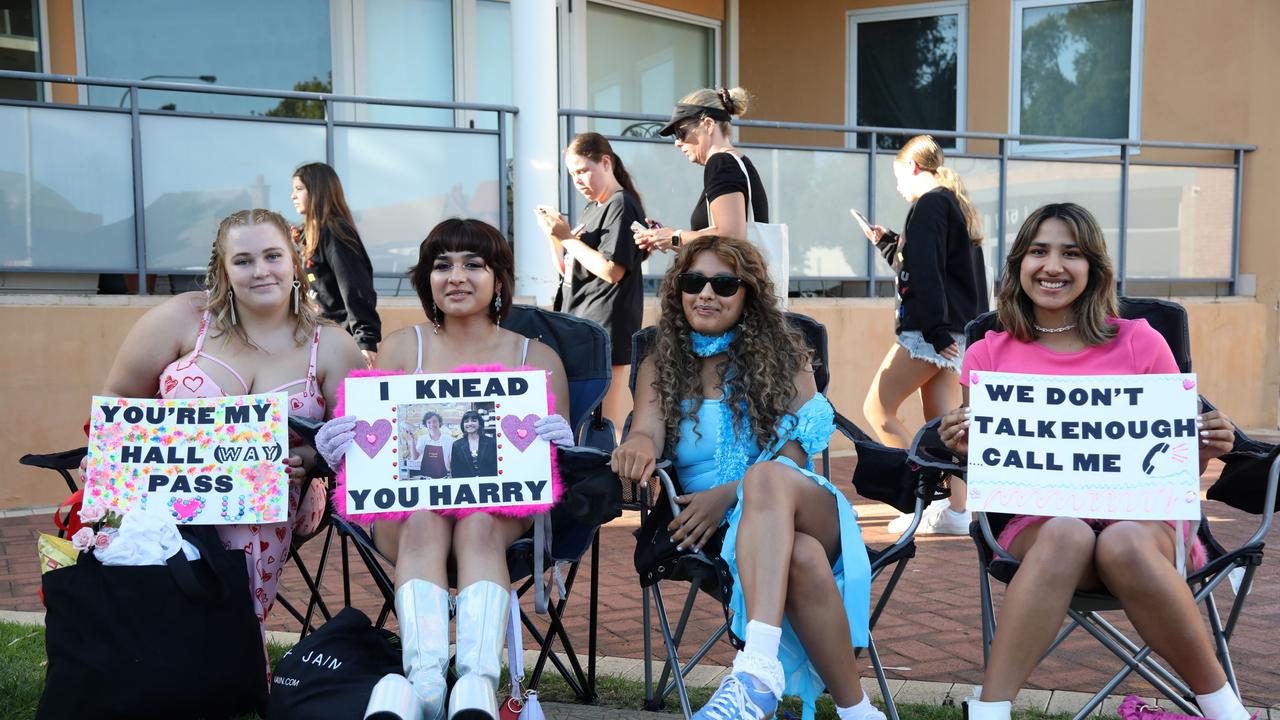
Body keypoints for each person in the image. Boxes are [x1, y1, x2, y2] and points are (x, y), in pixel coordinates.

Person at [938, 203, 1249, 720]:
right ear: (1018, 264)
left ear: (1094, 268)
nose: (1053, 266)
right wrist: (965, 446)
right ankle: (989, 712)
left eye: (1071, 253)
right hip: (1042, 527)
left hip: (1144, 527)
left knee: (1122, 540)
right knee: (1068, 531)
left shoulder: (1141, 341)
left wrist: (1205, 446)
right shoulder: (987, 355)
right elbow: (991, 463)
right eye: (1039, 251)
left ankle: (1223, 710)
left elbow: (1171, 464)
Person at [612, 235, 884, 720]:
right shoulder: (663, 359)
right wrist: (637, 442)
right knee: (799, 556)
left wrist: (726, 496)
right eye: (694, 282)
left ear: (748, 293)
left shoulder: (783, 353)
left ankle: (756, 668)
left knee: (766, 476)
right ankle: (859, 711)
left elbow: (795, 456)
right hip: (709, 525)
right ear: (679, 291)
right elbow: (649, 427)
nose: (707, 294)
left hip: (802, 502)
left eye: (724, 283)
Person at [314, 218, 574, 720]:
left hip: (499, 516)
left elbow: (558, 466)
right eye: (442, 265)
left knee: (477, 523)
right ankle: (426, 684)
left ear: (499, 278)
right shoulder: (399, 348)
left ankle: (476, 684)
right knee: (424, 519)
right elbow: (375, 446)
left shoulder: (535, 357)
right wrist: (341, 445)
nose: (457, 276)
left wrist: (556, 443)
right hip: (408, 516)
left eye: (473, 264)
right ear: (426, 280)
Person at [95, 208, 365, 666]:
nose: (260, 271)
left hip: (279, 491)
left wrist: (313, 460)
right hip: (168, 481)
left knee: (253, 508)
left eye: (272, 256)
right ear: (222, 268)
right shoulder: (183, 318)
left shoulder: (332, 344)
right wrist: (112, 461)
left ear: (296, 261)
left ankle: (230, 653)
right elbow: (119, 398)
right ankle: (155, 656)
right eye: (243, 260)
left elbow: (357, 439)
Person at [862, 135, 987, 536]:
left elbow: (928, 274)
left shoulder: (930, 203)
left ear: (913, 167)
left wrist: (933, 330)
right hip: (955, 330)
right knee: (946, 424)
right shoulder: (952, 204)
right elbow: (927, 266)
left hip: (932, 332)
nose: (898, 185)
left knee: (877, 410)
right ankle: (956, 511)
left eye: (899, 175)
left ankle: (920, 497)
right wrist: (889, 245)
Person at [536, 132, 647, 442]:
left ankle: (606, 488)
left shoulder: (621, 204)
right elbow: (569, 269)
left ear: (605, 162)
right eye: (572, 174)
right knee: (576, 424)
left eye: (583, 170)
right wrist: (554, 235)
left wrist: (569, 237)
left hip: (605, 329)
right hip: (578, 325)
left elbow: (612, 271)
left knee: (600, 428)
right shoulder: (592, 208)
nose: (578, 180)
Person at [633, 86, 767, 254]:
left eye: (681, 133)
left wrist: (674, 237)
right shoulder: (736, 162)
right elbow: (718, 242)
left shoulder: (721, 163)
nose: (677, 142)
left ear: (709, 125)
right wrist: (665, 238)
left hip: (729, 280)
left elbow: (731, 237)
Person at [291, 162, 381, 366]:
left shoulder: (334, 232)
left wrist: (365, 340)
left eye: (299, 189)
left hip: (340, 340)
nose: (292, 196)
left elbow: (355, 287)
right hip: (315, 338)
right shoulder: (307, 236)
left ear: (317, 191)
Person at [450, 409, 497, 478]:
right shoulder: (457, 445)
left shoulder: (491, 442)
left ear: (480, 424)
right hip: (466, 486)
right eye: (466, 421)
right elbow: (455, 471)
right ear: (463, 425)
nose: (470, 424)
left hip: (488, 485)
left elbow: (495, 467)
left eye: (474, 421)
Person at [410, 411, 452, 479]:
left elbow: (451, 460)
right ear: (426, 424)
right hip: (426, 478)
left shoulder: (448, 439)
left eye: (435, 421)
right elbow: (415, 457)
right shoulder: (422, 439)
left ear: (439, 423)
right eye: (429, 422)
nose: (432, 424)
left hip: (445, 477)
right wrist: (412, 439)